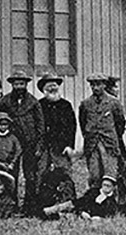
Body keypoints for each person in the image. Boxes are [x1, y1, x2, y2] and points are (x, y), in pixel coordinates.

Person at [0, 69, 44, 214]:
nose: (19, 87)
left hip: (30, 144)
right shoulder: (4, 101)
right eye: (16, 84)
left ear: (26, 84)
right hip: (11, 144)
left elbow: (40, 124)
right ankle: (11, 204)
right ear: (12, 85)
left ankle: (29, 206)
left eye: (22, 84)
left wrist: (39, 146)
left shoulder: (33, 102)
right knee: (11, 174)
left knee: (30, 175)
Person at [78, 73, 126, 190]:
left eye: (98, 84)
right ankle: (95, 202)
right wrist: (89, 135)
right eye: (92, 85)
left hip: (109, 143)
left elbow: (120, 123)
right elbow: (83, 123)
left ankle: (111, 203)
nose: (95, 88)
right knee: (94, 174)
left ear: (104, 85)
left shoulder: (114, 103)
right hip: (92, 143)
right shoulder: (85, 104)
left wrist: (112, 135)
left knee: (110, 173)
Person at [37, 72, 76, 205]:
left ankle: (68, 201)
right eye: (49, 86)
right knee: (41, 172)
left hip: (61, 146)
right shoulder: (39, 105)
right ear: (43, 89)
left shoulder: (65, 105)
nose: (52, 88)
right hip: (44, 146)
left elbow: (72, 127)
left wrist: (69, 145)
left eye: (55, 85)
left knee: (64, 173)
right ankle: (43, 203)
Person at [104, 74, 126, 210]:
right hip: (110, 140)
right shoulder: (108, 103)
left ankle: (125, 196)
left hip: (117, 139)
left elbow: (121, 123)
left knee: (122, 167)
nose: (117, 90)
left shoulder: (115, 102)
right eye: (115, 87)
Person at [43, 175, 119, 220]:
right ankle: (46, 211)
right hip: (77, 206)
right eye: (104, 185)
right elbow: (83, 200)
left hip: (88, 217)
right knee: (59, 207)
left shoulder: (111, 202)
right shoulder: (94, 191)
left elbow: (107, 215)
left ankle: (53, 216)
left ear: (113, 188)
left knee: (66, 217)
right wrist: (82, 211)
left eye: (108, 186)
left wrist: (95, 217)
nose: (105, 188)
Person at [0, 112, 22, 206]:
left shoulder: (13, 138)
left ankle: (13, 204)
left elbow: (18, 150)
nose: (3, 127)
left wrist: (12, 163)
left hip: (11, 165)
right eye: (1, 125)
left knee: (11, 184)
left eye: (5, 125)